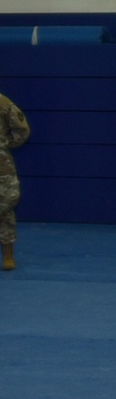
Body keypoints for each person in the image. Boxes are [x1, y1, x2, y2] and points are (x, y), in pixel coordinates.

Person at [0, 88, 30, 271]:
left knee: (5, 205)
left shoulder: (2, 103)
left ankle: (8, 256)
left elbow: (22, 130)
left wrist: (3, 145)